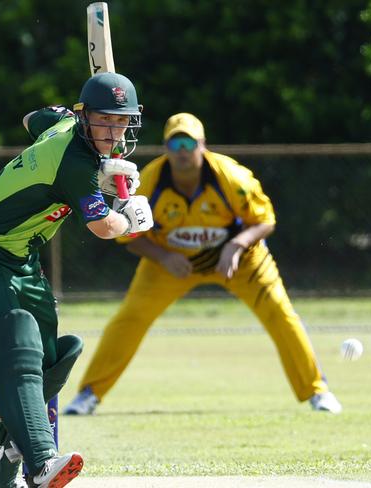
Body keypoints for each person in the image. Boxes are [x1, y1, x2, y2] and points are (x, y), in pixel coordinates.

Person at [0, 72, 153, 488]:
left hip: (23, 259)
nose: (114, 133)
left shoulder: (66, 125)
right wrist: (127, 216)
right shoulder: (75, 163)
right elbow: (102, 228)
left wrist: (97, 159)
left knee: (54, 358)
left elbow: (30, 117)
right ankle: (40, 463)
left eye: (122, 123)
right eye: (105, 121)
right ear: (85, 116)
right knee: (17, 337)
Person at [64, 112, 343, 417]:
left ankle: (317, 391)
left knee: (281, 314)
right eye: (175, 143)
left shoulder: (232, 177)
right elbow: (129, 235)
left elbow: (264, 221)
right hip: (171, 262)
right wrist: (164, 257)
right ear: (166, 148)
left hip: (240, 261)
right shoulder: (149, 181)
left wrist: (236, 246)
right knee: (129, 320)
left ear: (203, 145)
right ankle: (88, 394)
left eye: (189, 142)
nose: (182, 150)